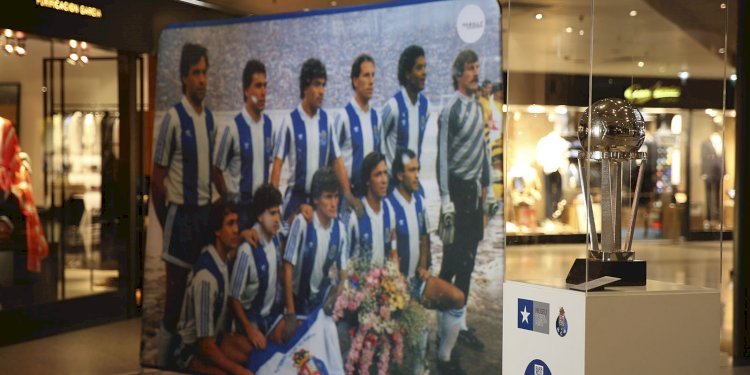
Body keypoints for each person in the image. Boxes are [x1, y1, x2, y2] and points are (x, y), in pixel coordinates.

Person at [152, 43, 216, 364]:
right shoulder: (173, 119)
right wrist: (168, 224)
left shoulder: (210, 120)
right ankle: (160, 359)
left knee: (202, 287)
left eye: (205, 73)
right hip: (180, 217)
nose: (202, 80)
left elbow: (211, 168)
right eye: (196, 73)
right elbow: (156, 180)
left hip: (204, 217)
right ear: (183, 78)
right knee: (175, 295)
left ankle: (189, 354)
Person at [436, 49, 495, 365]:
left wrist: (489, 193)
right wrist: (446, 200)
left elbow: (485, 151)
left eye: (477, 67)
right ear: (459, 73)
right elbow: (442, 159)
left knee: (469, 263)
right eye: (470, 68)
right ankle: (441, 336)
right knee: (450, 264)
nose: (475, 73)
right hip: (456, 193)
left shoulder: (479, 109)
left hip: (474, 194)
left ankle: (456, 328)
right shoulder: (451, 110)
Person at [388, 149, 465, 374]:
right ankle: (418, 368)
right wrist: (396, 284)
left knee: (458, 298)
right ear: (399, 175)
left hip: (417, 280)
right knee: (420, 327)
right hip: (397, 287)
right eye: (411, 170)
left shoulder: (419, 201)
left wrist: (423, 266)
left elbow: (424, 237)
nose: (416, 175)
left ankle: (444, 357)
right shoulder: (389, 205)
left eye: (418, 170)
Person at [271, 58, 362, 225]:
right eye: (316, 84)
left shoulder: (326, 121)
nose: (322, 91)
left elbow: (337, 160)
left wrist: (348, 194)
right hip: (296, 198)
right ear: (305, 88)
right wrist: (273, 207)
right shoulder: (290, 122)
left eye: (323, 85)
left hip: (319, 200)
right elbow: (277, 167)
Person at [173, 201, 253, 375]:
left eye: (237, 223)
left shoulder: (222, 257)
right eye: (230, 224)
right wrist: (238, 370)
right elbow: (205, 345)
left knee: (251, 352)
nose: (236, 229)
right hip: (190, 350)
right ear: (217, 231)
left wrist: (246, 234)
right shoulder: (206, 278)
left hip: (215, 339)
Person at [281, 168, 348, 337]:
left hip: (318, 308)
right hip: (294, 304)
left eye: (336, 196)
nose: (334, 203)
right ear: (316, 199)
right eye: (328, 197)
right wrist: (290, 312)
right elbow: (287, 266)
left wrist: (337, 294)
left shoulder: (340, 229)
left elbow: (344, 275)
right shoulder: (302, 223)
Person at [214, 59, 275, 239]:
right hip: (241, 211)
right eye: (257, 86)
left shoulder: (269, 126)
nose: (263, 92)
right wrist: (229, 200)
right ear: (246, 90)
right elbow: (216, 169)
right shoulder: (233, 127)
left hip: (260, 211)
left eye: (265, 86)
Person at [229, 184, 292, 350]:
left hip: (272, 316)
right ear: (259, 217)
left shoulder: (277, 233)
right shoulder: (246, 250)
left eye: (278, 212)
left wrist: (303, 209)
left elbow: (291, 222)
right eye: (272, 213)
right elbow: (234, 298)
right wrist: (249, 330)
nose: (277, 218)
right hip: (251, 320)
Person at [335, 54, 380, 199]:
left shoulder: (376, 118)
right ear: (355, 81)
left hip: (370, 197)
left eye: (373, 75)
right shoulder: (343, 117)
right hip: (347, 197)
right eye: (366, 75)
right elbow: (331, 160)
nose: (371, 81)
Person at [380, 45, 430, 173]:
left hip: (413, 182)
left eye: (425, 66)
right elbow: (378, 143)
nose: (424, 72)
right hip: (393, 185)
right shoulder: (392, 107)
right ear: (407, 74)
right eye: (419, 68)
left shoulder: (426, 106)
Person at [348, 152, 396, 267]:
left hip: (385, 282)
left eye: (385, 173)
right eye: (378, 174)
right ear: (367, 180)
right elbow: (344, 261)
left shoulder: (389, 209)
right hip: (359, 282)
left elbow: (393, 253)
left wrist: (396, 281)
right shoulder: (355, 215)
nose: (384, 180)